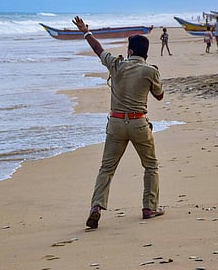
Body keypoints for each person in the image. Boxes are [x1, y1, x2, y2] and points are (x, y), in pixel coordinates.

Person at [71, 16, 165, 229]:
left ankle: (96, 207)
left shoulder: (116, 64)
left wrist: (85, 31)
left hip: (115, 124)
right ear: (145, 53)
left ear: (130, 51)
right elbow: (159, 96)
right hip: (139, 123)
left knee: (106, 168)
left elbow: (98, 48)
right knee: (150, 165)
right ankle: (149, 207)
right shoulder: (150, 71)